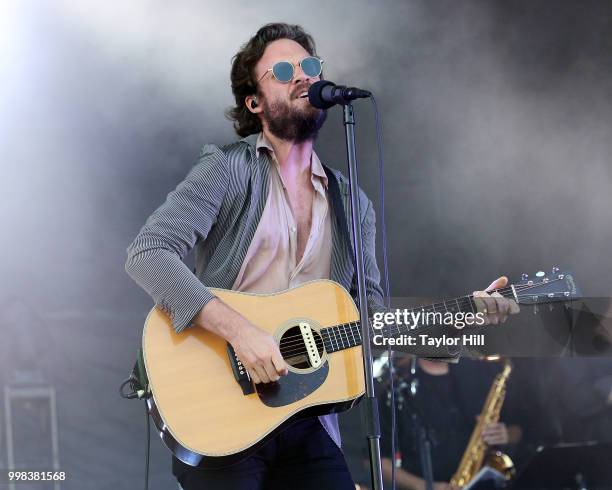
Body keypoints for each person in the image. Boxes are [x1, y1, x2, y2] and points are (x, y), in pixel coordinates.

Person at [125, 22, 518, 490]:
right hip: (220, 407)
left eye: (310, 66)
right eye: (285, 70)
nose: (304, 77)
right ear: (254, 102)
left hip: (306, 418)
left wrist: (464, 318)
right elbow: (148, 252)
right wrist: (244, 334)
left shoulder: (353, 205)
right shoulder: (226, 170)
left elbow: (373, 322)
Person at [378, 357, 522, 490]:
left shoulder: (480, 370)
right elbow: (377, 460)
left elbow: (519, 427)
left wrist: (506, 434)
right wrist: (427, 487)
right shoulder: (395, 385)